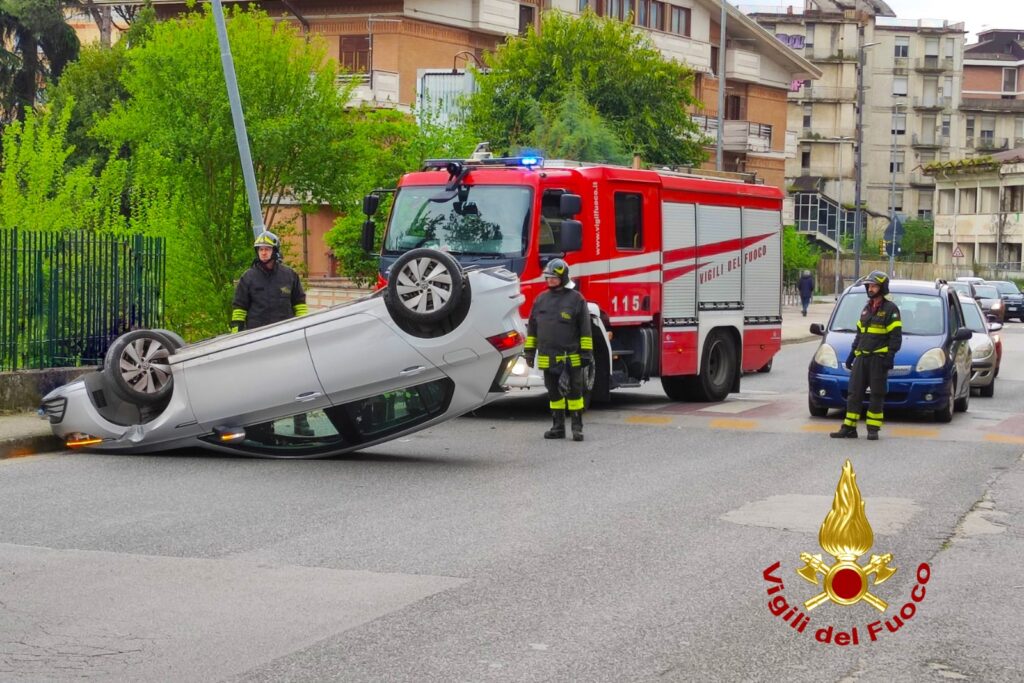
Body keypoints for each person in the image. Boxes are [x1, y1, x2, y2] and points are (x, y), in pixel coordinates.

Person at [231, 230, 312, 436]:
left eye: (267, 249)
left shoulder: (289, 275)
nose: (263, 253)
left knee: (295, 380)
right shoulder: (248, 278)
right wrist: (236, 334)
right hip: (257, 339)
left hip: (286, 337)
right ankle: (265, 426)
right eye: (260, 250)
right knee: (262, 384)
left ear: (275, 251)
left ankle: (300, 423)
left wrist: (303, 327)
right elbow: (239, 307)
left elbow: (299, 304)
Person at [524, 259, 593, 442]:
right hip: (548, 357)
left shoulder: (577, 299)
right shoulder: (540, 299)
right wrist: (529, 352)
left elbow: (585, 330)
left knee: (575, 394)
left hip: (571, 358)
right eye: (548, 277)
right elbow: (532, 328)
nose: (550, 280)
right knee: (553, 393)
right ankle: (558, 427)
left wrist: (587, 354)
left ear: (563, 277)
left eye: (554, 277)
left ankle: (577, 428)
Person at [831, 271, 902, 441]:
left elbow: (895, 337)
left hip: (878, 359)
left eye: (874, 286)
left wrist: (890, 356)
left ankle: (873, 429)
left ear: (882, 287)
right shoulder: (866, 309)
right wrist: (851, 355)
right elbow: (860, 334)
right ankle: (849, 428)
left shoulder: (891, 309)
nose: (870, 289)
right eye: (869, 286)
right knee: (854, 393)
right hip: (862, 358)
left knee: (877, 394)